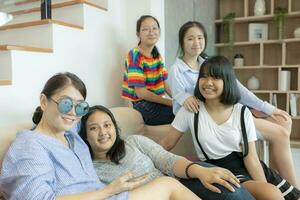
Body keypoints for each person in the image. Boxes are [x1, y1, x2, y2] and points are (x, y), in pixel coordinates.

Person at [0, 72, 199, 200]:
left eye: (80, 106)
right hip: (105, 196)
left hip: (109, 196)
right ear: (44, 101)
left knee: (169, 185)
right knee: (168, 186)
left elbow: (98, 126)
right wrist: (108, 190)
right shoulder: (29, 145)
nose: (73, 112)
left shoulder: (72, 135)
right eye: (66, 103)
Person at [169, 21, 299, 188]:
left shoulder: (209, 62)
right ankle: (291, 187)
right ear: (182, 42)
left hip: (228, 109)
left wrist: (269, 108)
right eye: (190, 39)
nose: (196, 43)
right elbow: (179, 98)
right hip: (204, 116)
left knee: (283, 121)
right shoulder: (176, 70)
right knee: (280, 134)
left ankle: (281, 182)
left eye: (200, 38)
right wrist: (186, 98)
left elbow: (239, 91)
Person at [79, 105, 257, 200]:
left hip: (182, 178)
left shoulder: (133, 141)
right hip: (159, 195)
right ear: (85, 136)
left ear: (115, 128)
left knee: (228, 190)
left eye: (107, 125)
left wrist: (201, 171)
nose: (103, 133)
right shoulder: (90, 170)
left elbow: (167, 160)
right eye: (94, 128)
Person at [121, 15, 174, 125]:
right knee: (179, 114)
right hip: (142, 104)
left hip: (156, 101)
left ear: (159, 31)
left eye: (154, 28)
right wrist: (170, 103)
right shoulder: (135, 55)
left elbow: (165, 84)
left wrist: (179, 99)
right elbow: (141, 93)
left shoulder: (157, 55)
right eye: (145, 29)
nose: (151, 32)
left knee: (183, 110)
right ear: (138, 34)